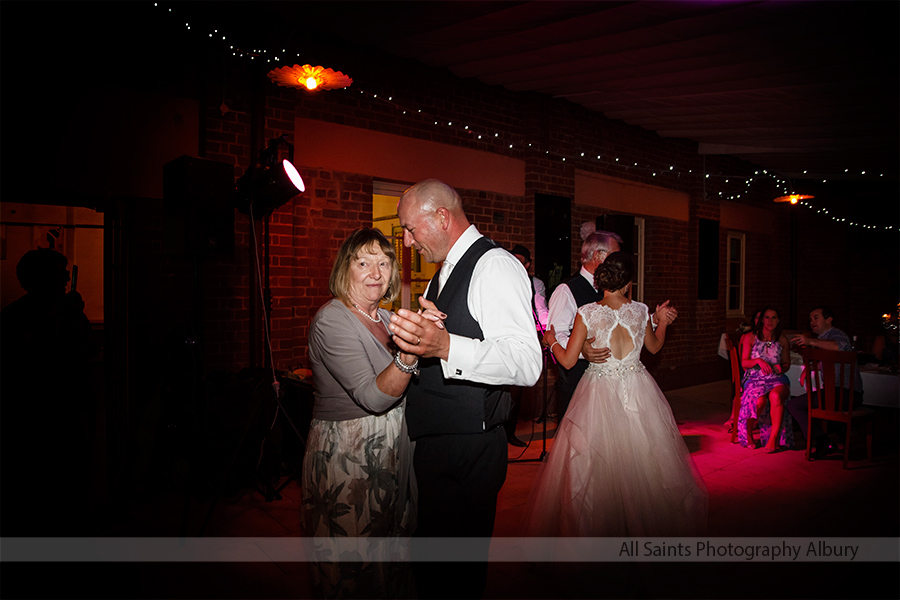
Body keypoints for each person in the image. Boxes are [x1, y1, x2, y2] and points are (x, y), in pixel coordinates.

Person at [388, 179, 542, 599]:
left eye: (410, 228)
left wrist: (445, 344)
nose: (407, 240)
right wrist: (434, 330)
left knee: (456, 574)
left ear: (442, 217)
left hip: (467, 446)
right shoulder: (446, 269)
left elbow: (527, 363)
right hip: (441, 440)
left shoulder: (494, 265)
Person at [527, 251, 706, 536]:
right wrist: (662, 322)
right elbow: (655, 348)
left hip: (599, 390)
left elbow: (568, 361)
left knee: (594, 463)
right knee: (642, 458)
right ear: (629, 281)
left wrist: (550, 342)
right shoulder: (640, 311)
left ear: (603, 278)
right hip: (638, 388)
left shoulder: (587, 312)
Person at [302, 228, 421, 598]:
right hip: (349, 454)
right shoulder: (332, 319)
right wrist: (411, 353)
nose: (376, 272)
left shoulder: (387, 319)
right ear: (345, 269)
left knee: (389, 552)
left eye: (384, 263)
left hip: (391, 450)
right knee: (352, 558)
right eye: (364, 262)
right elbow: (372, 396)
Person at [547, 230, 675, 419]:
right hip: (582, 386)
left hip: (616, 386)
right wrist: (583, 351)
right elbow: (558, 333)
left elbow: (625, 322)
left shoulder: (595, 309)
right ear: (598, 256)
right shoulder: (566, 290)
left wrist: (654, 320)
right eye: (614, 253)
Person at [786, 306, 864, 459]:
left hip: (847, 393)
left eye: (816, 318)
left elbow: (839, 347)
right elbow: (830, 361)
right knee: (799, 404)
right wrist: (810, 367)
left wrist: (810, 341)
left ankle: (824, 442)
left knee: (795, 405)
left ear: (829, 319)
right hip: (835, 392)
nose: (812, 322)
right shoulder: (823, 339)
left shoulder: (837, 334)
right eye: (810, 319)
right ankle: (830, 437)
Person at [506, 243, 548, 447]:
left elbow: (542, 310)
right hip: (503, 339)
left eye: (519, 261)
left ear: (528, 264)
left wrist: (548, 329)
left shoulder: (535, 284)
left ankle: (510, 432)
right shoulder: (501, 279)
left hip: (524, 340)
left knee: (517, 390)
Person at [736, 306, 793, 453]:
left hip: (776, 379)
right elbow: (744, 363)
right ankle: (748, 431)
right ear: (762, 320)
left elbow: (786, 364)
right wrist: (758, 361)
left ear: (778, 321)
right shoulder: (751, 337)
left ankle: (774, 438)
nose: (770, 321)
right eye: (767, 317)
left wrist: (782, 367)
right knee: (759, 401)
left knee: (776, 396)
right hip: (755, 378)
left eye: (774, 318)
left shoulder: (782, 340)